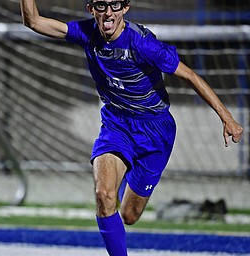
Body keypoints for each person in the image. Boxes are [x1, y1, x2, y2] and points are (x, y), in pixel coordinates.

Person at [20, 0, 244, 255]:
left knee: (129, 215)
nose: (108, 12)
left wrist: (227, 117)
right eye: (101, 5)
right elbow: (33, 21)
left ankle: (128, 173)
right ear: (90, 9)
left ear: (125, 8)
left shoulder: (143, 43)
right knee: (104, 195)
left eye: (114, 5)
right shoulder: (86, 33)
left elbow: (190, 75)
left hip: (155, 131)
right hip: (116, 126)